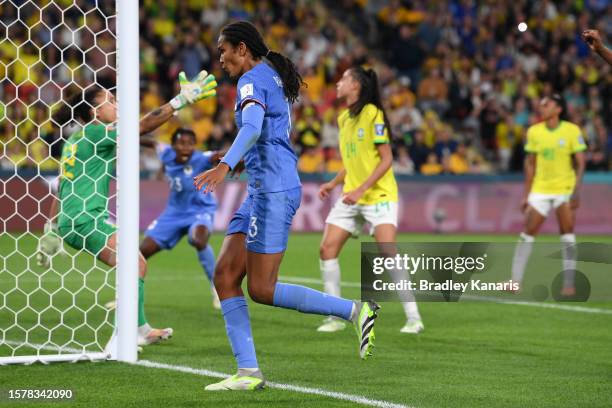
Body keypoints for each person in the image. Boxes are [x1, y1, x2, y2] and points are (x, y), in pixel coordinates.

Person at [193, 21, 379, 391]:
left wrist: (226, 165)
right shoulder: (268, 75)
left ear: (242, 49)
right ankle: (247, 373)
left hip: (273, 191)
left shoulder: (250, 81)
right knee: (226, 277)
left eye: (223, 50)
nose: (221, 58)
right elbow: (270, 134)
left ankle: (356, 311)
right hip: (264, 187)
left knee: (262, 289)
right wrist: (243, 162)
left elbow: (253, 128)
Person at [50, 70, 217, 346]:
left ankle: (139, 329)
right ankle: (122, 339)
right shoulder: (96, 133)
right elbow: (142, 126)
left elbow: (62, 185)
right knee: (132, 264)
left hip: (75, 219)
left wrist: (53, 227)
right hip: (86, 218)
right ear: (94, 112)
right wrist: (180, 101)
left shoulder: (74, 139)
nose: (116, 105)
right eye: (110, 100)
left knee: (136, 263)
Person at [317, 66, 424, 334]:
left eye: (344, 79)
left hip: (378, 195)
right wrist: (334, 182)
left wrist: (361, 189)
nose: (339, 83)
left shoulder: (373, 114)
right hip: (352, 194)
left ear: (356, 86)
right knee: (327, 250)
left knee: (388, 251)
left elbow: (386, 159)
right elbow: (353, 161)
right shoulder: (343, 119)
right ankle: (335, 316)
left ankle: (414, 317)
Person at [510, 94, 586, 296]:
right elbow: (530, 164)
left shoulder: (571, 131)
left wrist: (576, 191)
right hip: (541, 189)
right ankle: (515, 281)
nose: (542, 107)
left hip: (564, 188)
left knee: (567, 232)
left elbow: (580, 162)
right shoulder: (534, 131)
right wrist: (525, 195)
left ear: (558, 109)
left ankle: (569, 283)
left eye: (547, 104)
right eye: (541, 104)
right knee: (527, 233)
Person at [140, 128, 221, 309]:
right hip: (173, 213)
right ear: (173, 144)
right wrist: (127, 135)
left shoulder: (201, 158)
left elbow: (217, 155)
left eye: (190, 144)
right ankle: (126, 296)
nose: (186, 148)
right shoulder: (165, 153)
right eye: (181, 143)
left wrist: (236, 158)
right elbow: (152, 142)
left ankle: (217, 287)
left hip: (200, 210)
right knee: (140, 252)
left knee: (199, 240)